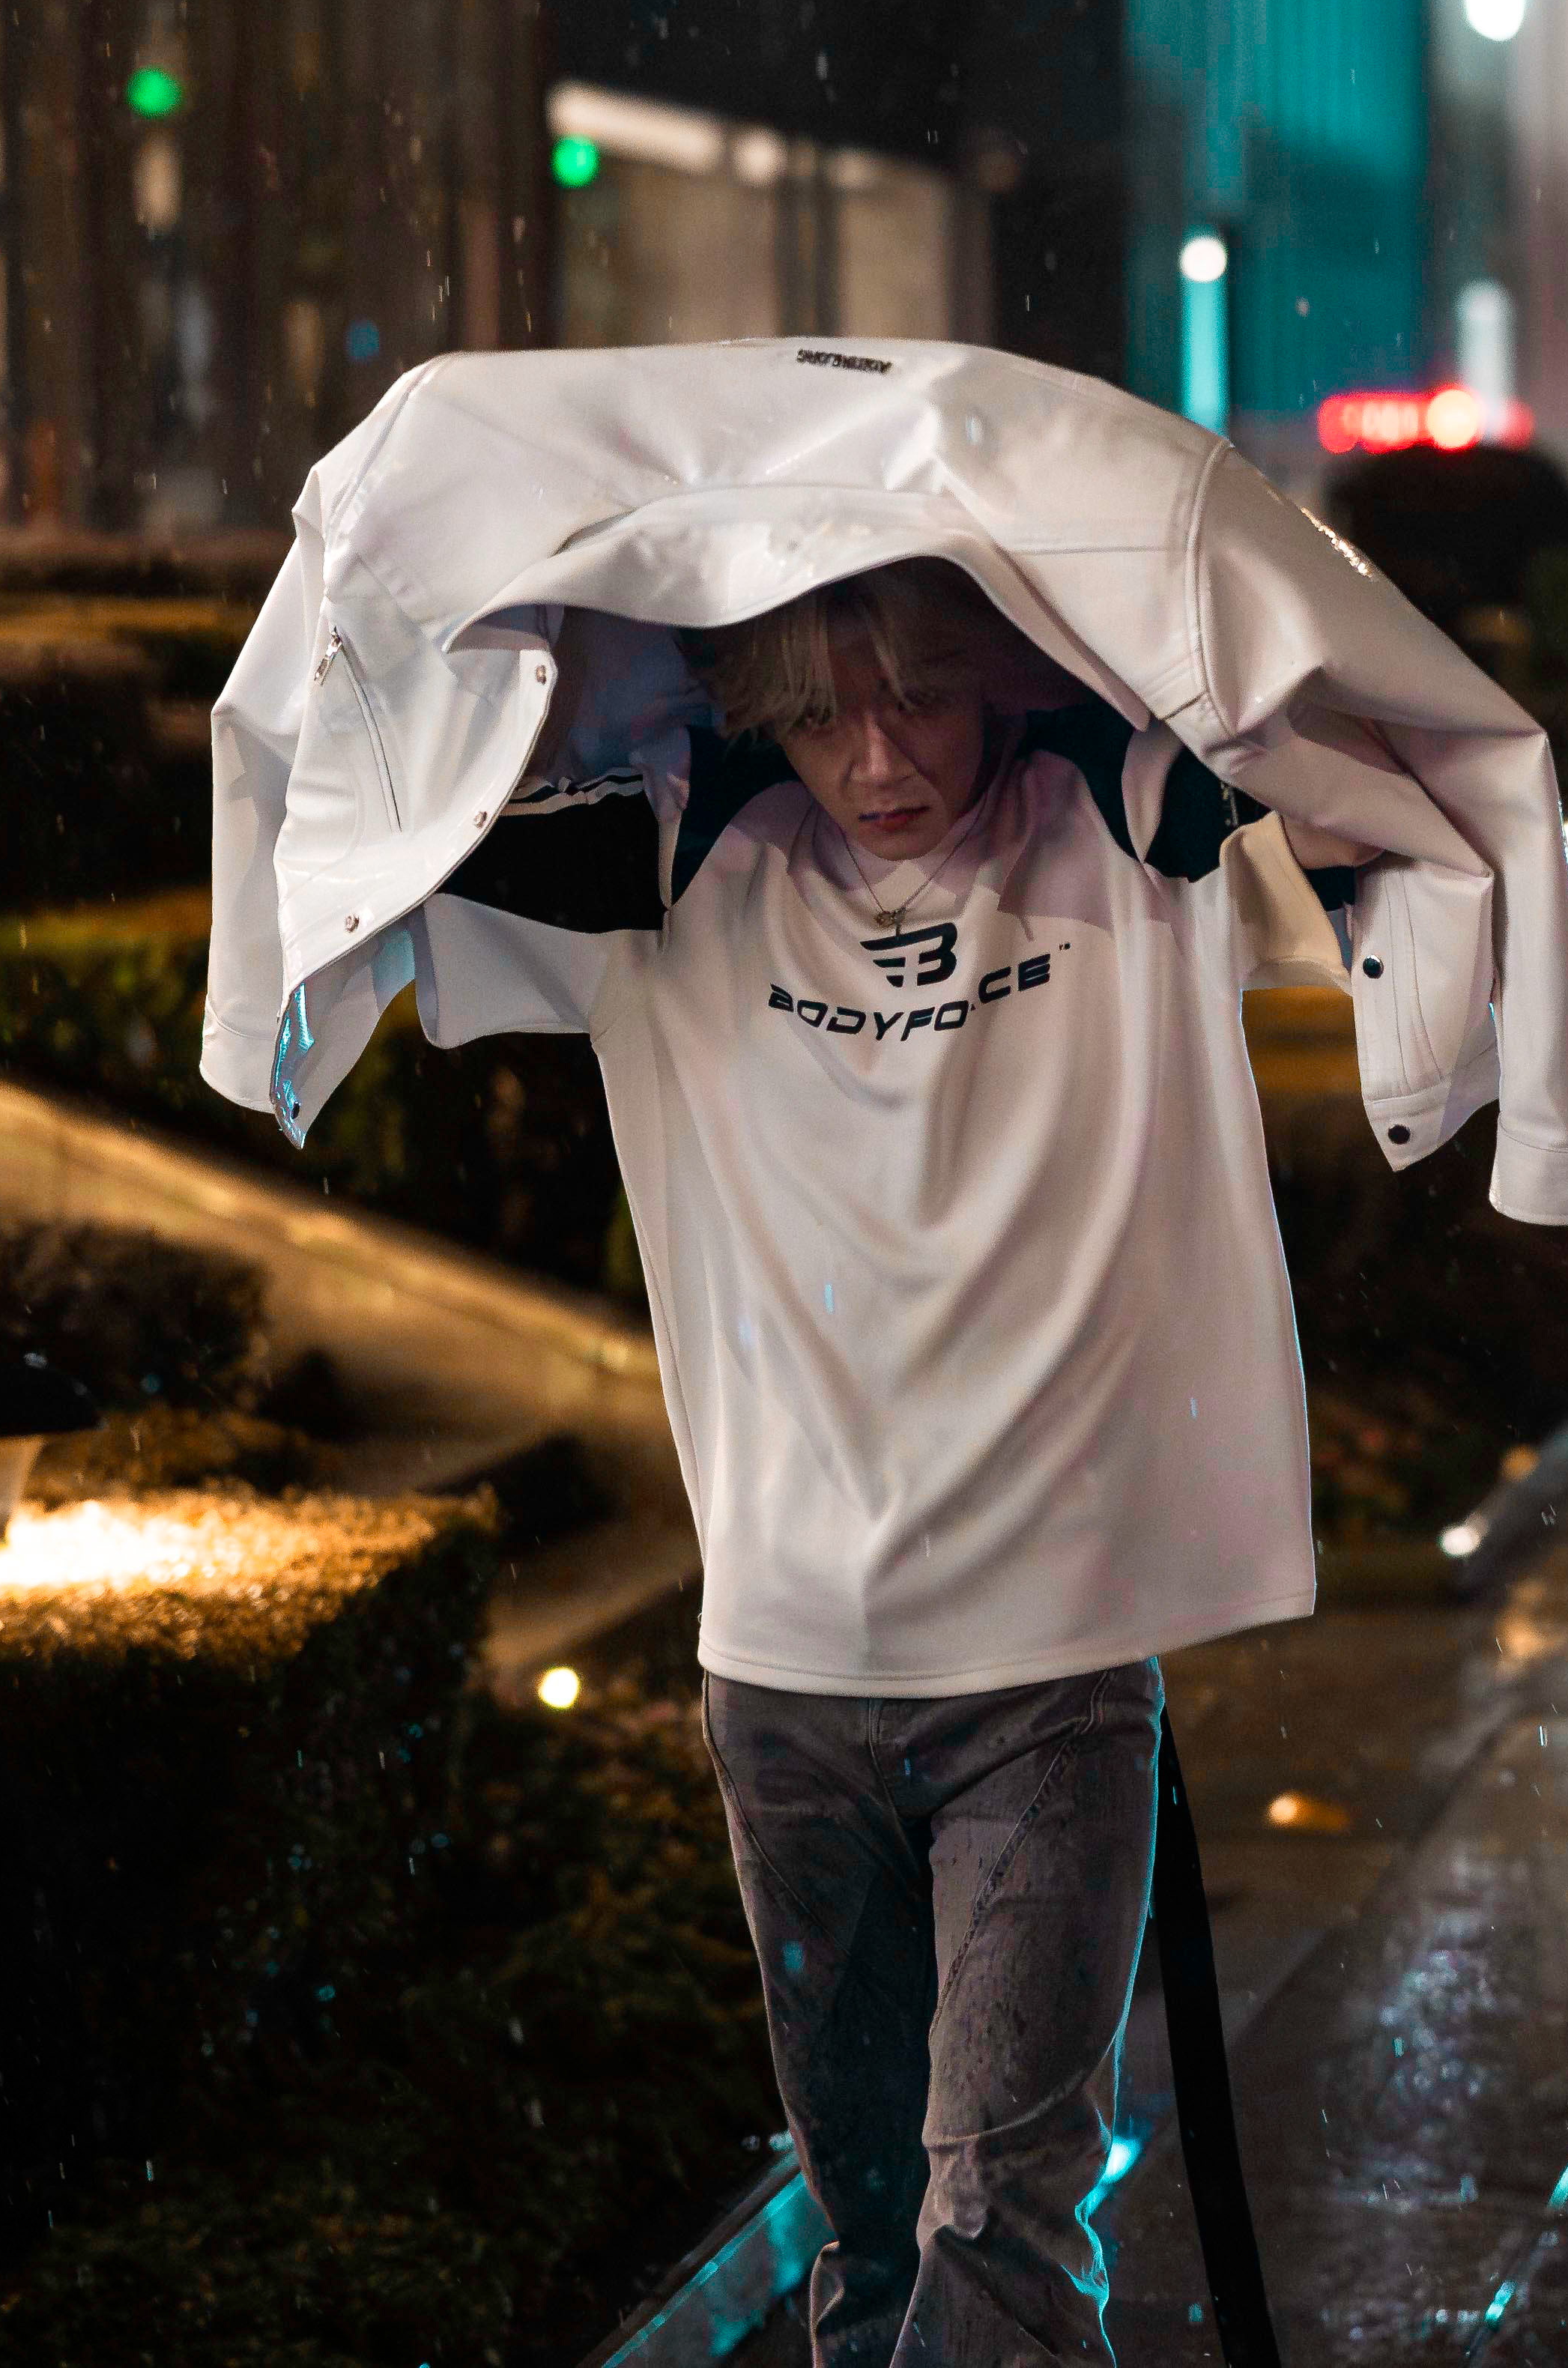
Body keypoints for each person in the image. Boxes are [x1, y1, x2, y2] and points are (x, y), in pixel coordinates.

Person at [425, 556, 1375, 2364]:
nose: (876, 757)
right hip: (783, 1668)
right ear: (752, 707)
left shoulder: (1112, 818)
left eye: (918, 695)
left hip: (1046, 1659)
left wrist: (1044, 633)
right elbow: (403, 794)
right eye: (817, 708)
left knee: (996, 2213)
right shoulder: (686, 859)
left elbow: (1288, 721)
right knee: (863, 2228)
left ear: (998, 676)